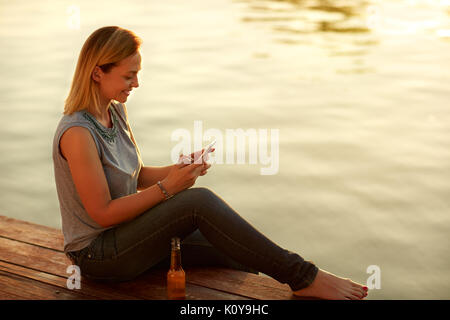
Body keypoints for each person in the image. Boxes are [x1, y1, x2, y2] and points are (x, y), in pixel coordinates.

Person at [52, 26, 368, 300]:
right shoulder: (78, 132)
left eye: (137, 74)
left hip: (127, 236)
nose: (135, 83)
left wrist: (178, 170)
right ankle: (305, 276)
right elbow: (102, 213)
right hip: (96, 256)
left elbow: (136, 175)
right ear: (97, 73)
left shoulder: (114, 111)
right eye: (128, 75)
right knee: (197, 202)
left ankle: (283, 289)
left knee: (237, 251)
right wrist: (168, 189)